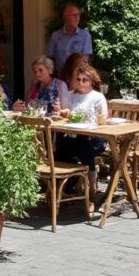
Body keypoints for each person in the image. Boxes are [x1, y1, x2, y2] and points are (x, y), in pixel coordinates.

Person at [52, 65, 108, 200]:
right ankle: (66, 186)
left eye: (85, 80)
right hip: (74, 135)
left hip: (94, 136)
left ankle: (91, 184)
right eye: (78, 79)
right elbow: (66, 115)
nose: (81, 83)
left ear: (92, 81)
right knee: (61, 147)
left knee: (84, 144)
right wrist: (61, 112)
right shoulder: (71, 95)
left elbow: (103, 119)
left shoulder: (97, 97)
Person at [46, 4, 93, 73]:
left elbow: (86, 59)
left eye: (78, 15)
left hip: (78, 74)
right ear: (65, 17)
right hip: (60, 75)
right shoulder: (55, 35)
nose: (77, 18)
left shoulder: (85, 35)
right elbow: (49, 58)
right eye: (74, 15)